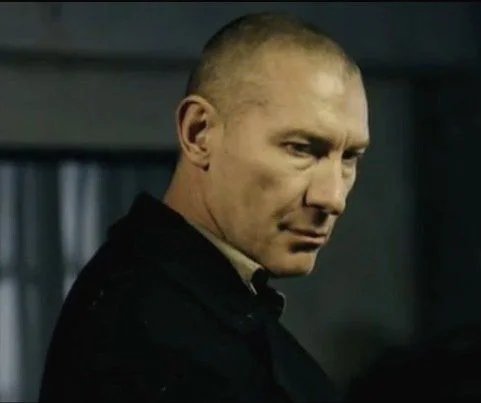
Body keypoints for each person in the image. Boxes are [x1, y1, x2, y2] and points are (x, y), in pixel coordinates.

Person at [38, 11, 369, 403]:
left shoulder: (178, 301)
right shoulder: (148, 325)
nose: (333, 197)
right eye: (301, 149)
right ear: (199, 133)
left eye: (350, 157)